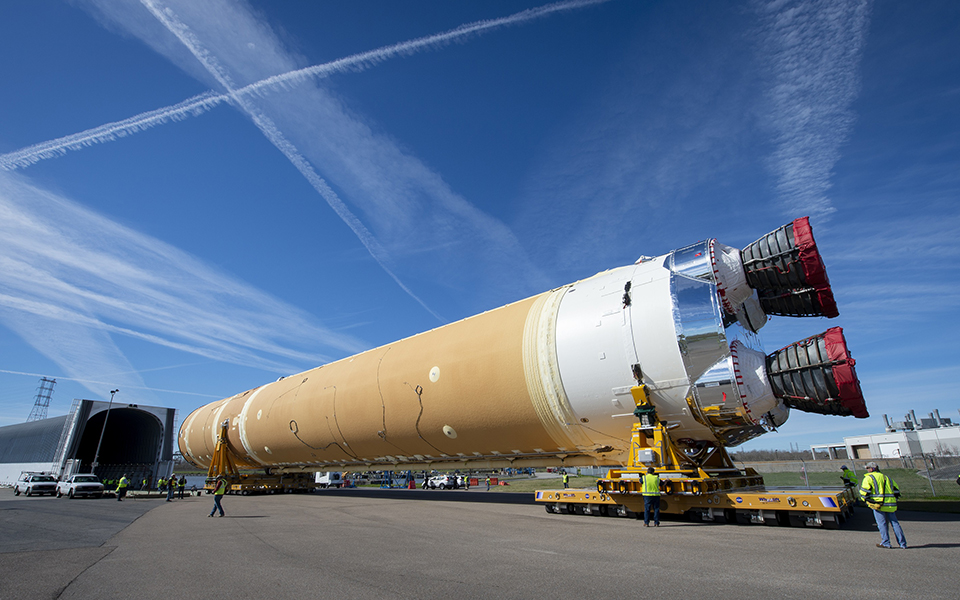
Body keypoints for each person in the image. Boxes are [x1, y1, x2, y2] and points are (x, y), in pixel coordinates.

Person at [859, 462, 906, 549]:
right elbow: (896, 490)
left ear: (872, 469)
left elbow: (864, 492)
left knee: (882, 524)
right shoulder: (887, 478)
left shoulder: (869, 478)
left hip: (878, 505)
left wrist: (867, 501)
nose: (867, 470)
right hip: (891, 505)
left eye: (867, 468)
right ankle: (902, 544)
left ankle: (886, 543)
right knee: (895, 524)